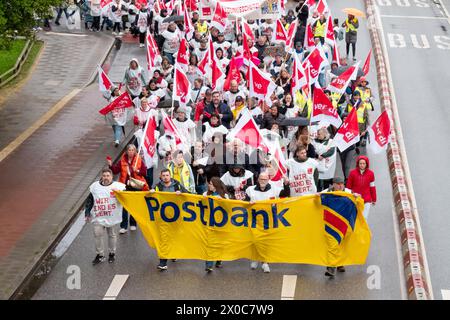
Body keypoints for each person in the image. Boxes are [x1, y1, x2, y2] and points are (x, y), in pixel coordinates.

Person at [246, 171, 290, 273]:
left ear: (268, 180)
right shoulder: (250, 190)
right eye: (261, 179)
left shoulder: (274, 189)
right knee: (254, 241)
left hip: (269, 220)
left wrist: (286, 184)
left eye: (265, 179)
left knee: (266, 242)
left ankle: (265, 262)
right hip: (254, 220)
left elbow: (285, 194)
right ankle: (255, 258)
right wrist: (248, 203)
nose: (263, 181)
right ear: (258, 179)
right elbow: (245, 202)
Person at [85, 168, 126, 265]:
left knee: (111, 235)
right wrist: (87, 213)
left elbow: (127, 198)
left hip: (111, 216)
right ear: (101, 176)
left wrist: (120, 194)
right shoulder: (95, 186)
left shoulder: (118, 187)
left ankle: (112, 253)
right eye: (104, 176)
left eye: (108, 176)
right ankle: (100, 255)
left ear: (112, 176)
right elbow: (90, 200)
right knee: (97, 235)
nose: (106, 178)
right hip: (98, 215)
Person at [150, 169, 189, 270]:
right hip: (163, 218)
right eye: (164, 175)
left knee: (174, 237)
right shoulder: (158, 186)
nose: (165, 177)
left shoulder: (177, 185)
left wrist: (181, 194)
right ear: (161, 177)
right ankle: (163, 262)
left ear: (170, 176)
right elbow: (150, 197)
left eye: (167, 175)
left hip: (176, 218)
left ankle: (173, 253)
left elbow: (189, 195)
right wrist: (151, 192)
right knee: (164, 239)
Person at [108, 144, 149, 234]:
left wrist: (137, 171)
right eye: (129, 150)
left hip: (136, 186)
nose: (131, 152)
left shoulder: (139, 160)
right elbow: (115, 171)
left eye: (132, 150)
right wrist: (111, 165)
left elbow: (144, 172)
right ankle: (123, 226)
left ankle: (133, 224)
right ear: (126, 151)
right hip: (124, 186)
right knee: (125, 206)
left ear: (135, 151)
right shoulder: (122, 160)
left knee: (134, 205)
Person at [321, 176, 353, 277]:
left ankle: (340, 263)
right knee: (332, 245)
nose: (340, 186)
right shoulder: (326, 192)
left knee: (341, 245)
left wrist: (357, 197)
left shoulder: (349, 192)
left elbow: (357, 202)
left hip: (344, 223)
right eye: (338, 184)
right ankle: (331, 268)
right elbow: (318, 202)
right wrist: (317, 196)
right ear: (333, 185)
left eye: (341, 184)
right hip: (331, 224)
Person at [203, 177, 231, 272]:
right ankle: (209, 264)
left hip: (221, 223)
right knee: (209, 243)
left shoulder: (224, 196)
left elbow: (228, 208)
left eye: (210, 184)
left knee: (219, 243)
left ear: (215, 185)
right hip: (209, 222)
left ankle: (219, 259)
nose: (209, 185)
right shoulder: (205, 194)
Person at [346, 156, 377, 221]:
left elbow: (372, 187)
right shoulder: (352, 173)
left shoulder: (371, 174)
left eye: (364, 163)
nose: (362, 165)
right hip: (355, 199)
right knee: (355, 217)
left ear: (366, 164)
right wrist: (349, 196)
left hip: (366, 200)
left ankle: (363, 231)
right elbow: (348, 187)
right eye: (360, 163)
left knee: (364, 218)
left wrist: (374, 199)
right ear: (358, 164)